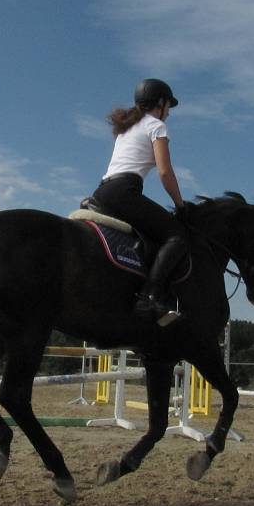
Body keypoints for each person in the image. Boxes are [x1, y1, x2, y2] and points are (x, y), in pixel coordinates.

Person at [92, 78, 189, 324]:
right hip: (124, 190)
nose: (169, 112)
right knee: (177, 234)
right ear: (161, 102)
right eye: (168, 106)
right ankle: (149, 297)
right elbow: (165, 172)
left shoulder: (127, 128)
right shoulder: (156, 126)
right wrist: (180, 205)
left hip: (103, 191)